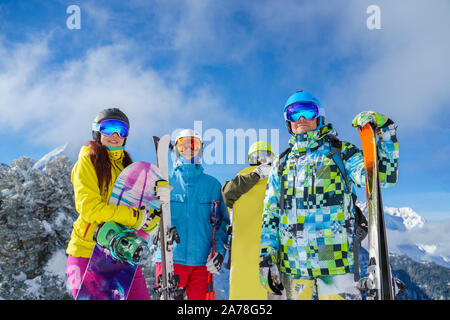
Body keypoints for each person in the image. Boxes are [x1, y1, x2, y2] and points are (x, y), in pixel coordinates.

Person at [259, 90, 399, 300]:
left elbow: (382, 178)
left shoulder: (340, 152)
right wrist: (267, 255)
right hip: (294, 270)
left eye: (308, 111)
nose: (302, 119)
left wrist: (386, 132)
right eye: (294, 114)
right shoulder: (282, 163)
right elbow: (271, 212)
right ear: (288, 121)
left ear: (319, 116)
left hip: (336, 268)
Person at [66, 108, 164, 300]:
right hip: (88, 253)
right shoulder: (88, 160)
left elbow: (146, 222)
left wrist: (158, 202)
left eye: (122, 130)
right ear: (96, 132)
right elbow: (90, 209)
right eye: (109, 128)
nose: (115, 135)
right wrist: (135, 217)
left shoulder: (129, 169)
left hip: (123, 254)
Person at [155, 129, 230, 300]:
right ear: (176, 150)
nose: (188, 149)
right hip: (171, 260)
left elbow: (222, 225)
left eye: (194, 145)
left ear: (200, 150)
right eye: (183, 146)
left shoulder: (212, 185)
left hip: (202, 263)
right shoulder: (165, 182)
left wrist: (219, 252)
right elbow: (151, 218)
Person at [222, 141, 278, 300]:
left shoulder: (279, 179)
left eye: (266, 157)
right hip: (245, 249)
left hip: (272, 249)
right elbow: (226, 194)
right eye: (257, 157)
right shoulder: (242, 179)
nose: (262, 161)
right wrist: (255, 175)